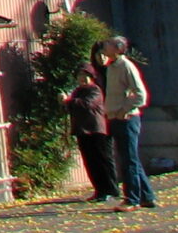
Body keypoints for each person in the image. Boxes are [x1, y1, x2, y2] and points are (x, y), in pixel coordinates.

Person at [97, 36, 158, 209]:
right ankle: (147, 196)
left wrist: (124, 109)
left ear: (118, 48)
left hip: (127, 119)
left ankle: (132, 199)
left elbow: (141, 95)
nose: (104, 46)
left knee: (128, 160)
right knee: (131, 159)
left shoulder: (126, 66)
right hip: (115, 118)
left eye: (108, 44)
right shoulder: (111, 67)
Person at [65, 67, 119, 201]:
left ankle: (110, 190)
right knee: (90, 162)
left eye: (86, 75)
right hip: (82, 130)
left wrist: (69, 101)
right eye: (80, 75)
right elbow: (70, 108)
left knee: (102, 161)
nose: (83, 78)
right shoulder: (77, 91)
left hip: (96, 130)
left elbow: (88, 104)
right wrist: (65, 103)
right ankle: (99, 190)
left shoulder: (94, 90)